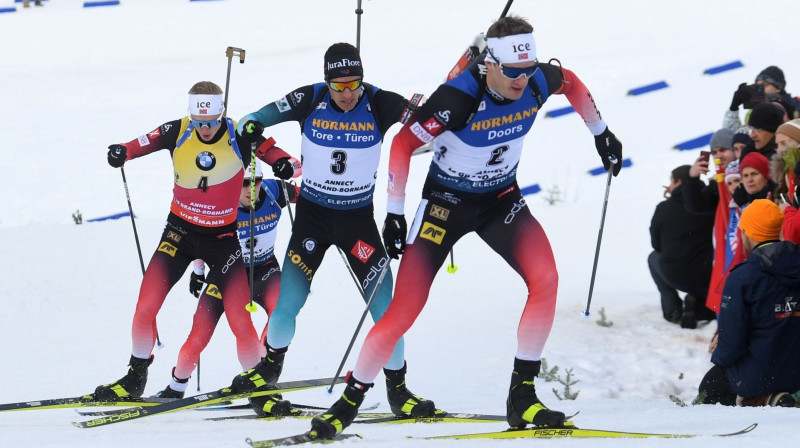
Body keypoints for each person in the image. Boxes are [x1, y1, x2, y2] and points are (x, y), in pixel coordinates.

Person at [308, 15, 623, 439]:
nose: (521, 80)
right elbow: (403, 145)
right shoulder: (456, 98)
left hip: (499, 200)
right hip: (445, 206)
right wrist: (396, 213)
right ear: (490, 62)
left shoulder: (535, 81)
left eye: (527, 70)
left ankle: (522, 396)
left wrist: (601, 133)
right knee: (404, 310)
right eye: (511, 71)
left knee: (546, 278)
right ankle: (348, 403)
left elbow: (570, 82)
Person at [227, 43, 435, 418]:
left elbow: (426, 122)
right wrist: (263, 138)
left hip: (358, 223)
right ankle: (268, 370)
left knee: (386, 309)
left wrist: (429, 109)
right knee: (288, 305)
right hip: (313, 220)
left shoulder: (379, 101)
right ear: (327, 82)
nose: (347, 93)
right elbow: (250, 120)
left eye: (353, 83)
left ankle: (399, 390)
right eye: (338, 86)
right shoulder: (310, 97)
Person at [93, 81, 299, 401]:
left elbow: (269, 149)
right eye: (199, 122)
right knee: (145, 307)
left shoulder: (237, 132)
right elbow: (142, 142)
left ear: (222, 114)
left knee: (240, 322)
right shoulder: (178, 129)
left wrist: (282, 162)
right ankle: (135, 377)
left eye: (211, 122)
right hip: (180, 234)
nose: (204, 129)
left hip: (223, 239)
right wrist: (123, 151)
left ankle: (261, 392)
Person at [152, 162, 298, 404]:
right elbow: (198, 237)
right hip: (226, 275)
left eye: (256, 181)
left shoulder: (274, 191)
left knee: (282, 315)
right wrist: (198, 271)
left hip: (265, 270)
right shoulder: (218, 204)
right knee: (199, 333)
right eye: (242, 183)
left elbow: (311, 196)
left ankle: (261, 377)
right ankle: (175, 388)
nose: (251, 189)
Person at [698, 199, 800, 407]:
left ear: (746, 231)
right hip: (796, 371)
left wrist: (717, 353)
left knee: (710, 389)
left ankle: (763, 400)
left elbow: (731, 344)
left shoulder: (743, 277)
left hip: (760, 374)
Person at [648, 165, 716, 328]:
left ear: (678, 182)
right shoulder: (710, 202)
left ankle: (672, 309)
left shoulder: (664, 208)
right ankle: (697, 305)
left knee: (653, 258)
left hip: (675, 273)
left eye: (671, 181)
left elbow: (656, 244)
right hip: (707, 273)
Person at [682, 129, 737, 314]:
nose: (718, 155)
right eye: (714, 152)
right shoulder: (718, 182)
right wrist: (692, 177)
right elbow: (696, 206)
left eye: (723, 150)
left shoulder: (746, 174)